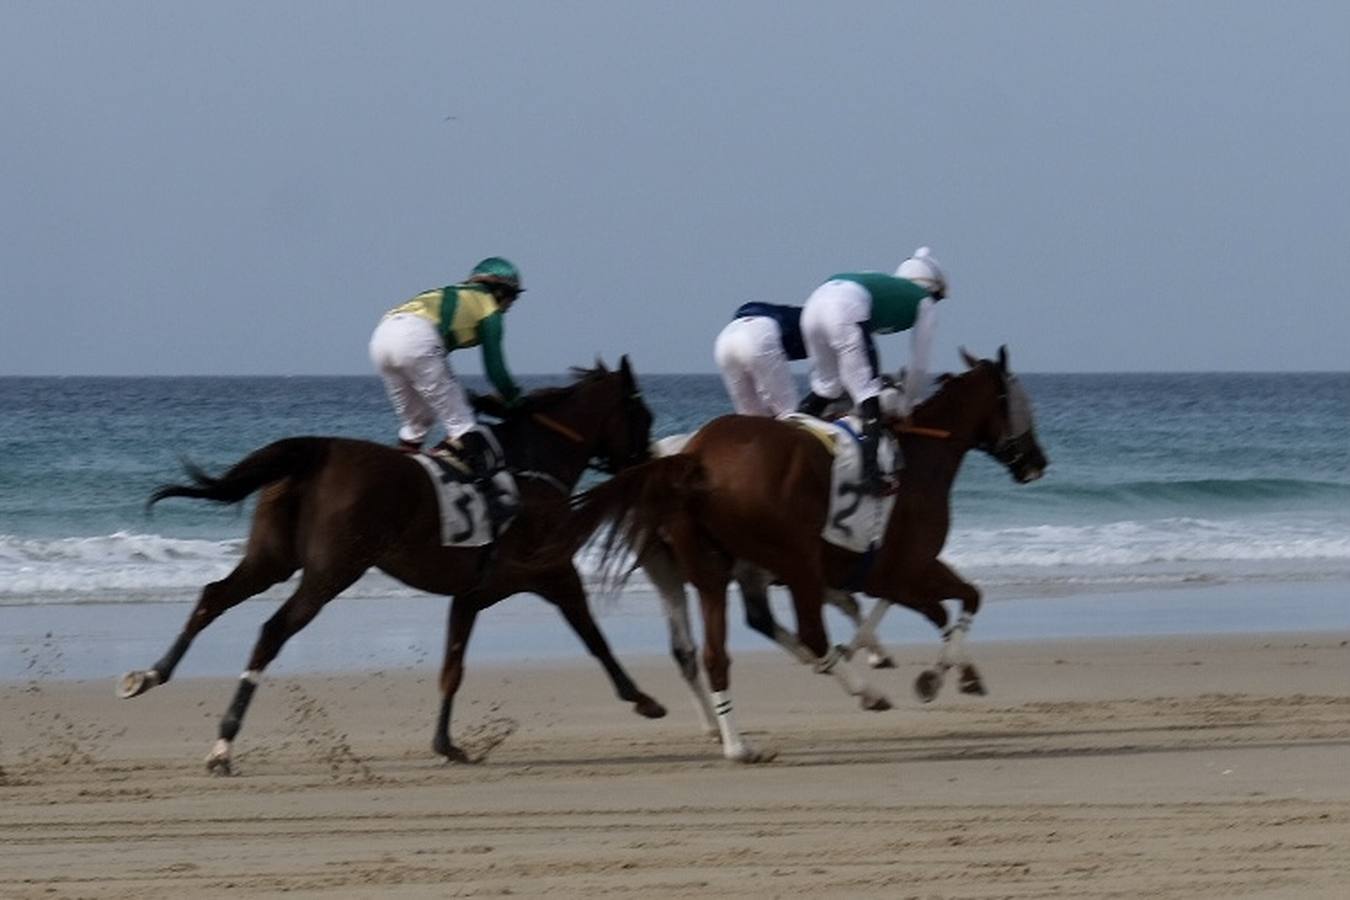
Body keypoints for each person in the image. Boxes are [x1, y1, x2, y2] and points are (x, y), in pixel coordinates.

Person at [368, 256, 525, 530]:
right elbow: (495, 369)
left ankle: (396, 488)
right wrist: (514, 399)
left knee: (418, 422)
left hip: (382, 338)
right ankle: (494, 502)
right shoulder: (490, 310)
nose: (511, 306)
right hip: (416, 338)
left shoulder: (453, 293)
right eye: (512, 298)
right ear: (501, 292)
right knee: (463, 425)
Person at [797, 246, 948, 495]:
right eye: (938, 297)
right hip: (843, 312)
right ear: (932, 289)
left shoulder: (883, 283)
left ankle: (792, 429)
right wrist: (907, 406)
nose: (936, 303)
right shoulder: (924, 303)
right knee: (868, 395)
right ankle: (869, 476)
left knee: (828, 387)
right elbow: (919, 364)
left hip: (813, 308)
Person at [713, 302, 807, 417]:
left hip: (727, 336)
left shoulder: (801, 315)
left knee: (750, 417)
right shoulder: (816, 324)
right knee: (788, 412)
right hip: (759, 334)